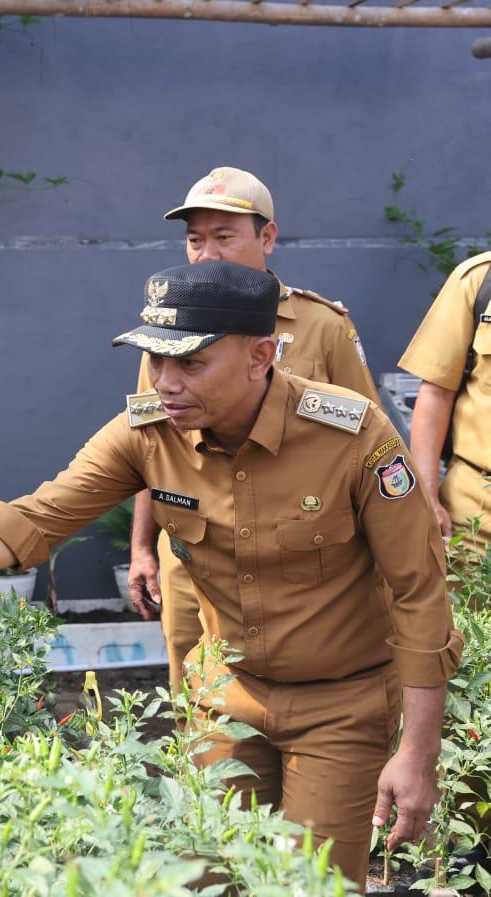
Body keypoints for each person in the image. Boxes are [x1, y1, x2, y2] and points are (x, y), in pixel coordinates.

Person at [0, 261, 462, 888]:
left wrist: (418, 753)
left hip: (343, 704)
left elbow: (419, 592)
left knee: (309, 884)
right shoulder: (149, 432)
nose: (165, 382)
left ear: (260, 356)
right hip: (226, 696)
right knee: (204, 876)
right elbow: (40, 516)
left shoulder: (352, 437)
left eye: (189, 363)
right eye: (155, 360)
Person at [125, 167, 379, 700]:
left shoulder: (320, 325)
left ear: (267, 238)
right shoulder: (170, 326)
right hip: (192, 548)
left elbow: (368, 445)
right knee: (191, 704)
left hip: (294, 553)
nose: (207, 254)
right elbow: (151, 445)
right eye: (195, 240)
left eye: (224, 237)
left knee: (292, 697)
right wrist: (143, 548)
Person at [399, 250, 491, 553]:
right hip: (477, 512)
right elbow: (437, 390)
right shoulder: (478, 280)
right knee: (467, 599)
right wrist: (426, 492)